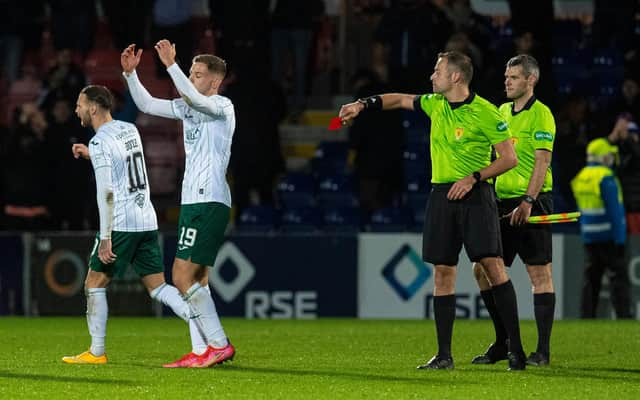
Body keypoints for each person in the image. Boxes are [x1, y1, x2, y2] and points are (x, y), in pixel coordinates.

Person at [339, 51, 526, 370]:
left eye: (437, 70)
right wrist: (362, 104)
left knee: (493, 267)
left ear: (456, 77)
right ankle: (444, 355)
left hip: (477, 194)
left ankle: (516, 349)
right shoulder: (435, 104)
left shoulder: (486, 112)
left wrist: (474, 177)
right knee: (442, 273)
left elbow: (509, 158)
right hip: (442, 195)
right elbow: (397, 99)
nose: (431, 76)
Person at [121, 40, 236, 368]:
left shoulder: (223, 106)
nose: (192, 76)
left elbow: (195, 98)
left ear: (214, 82)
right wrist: (130, 75)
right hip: (195, 202)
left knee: (181, 276)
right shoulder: (188, 107)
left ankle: (218, 344)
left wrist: (170, 65)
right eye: (191, 71)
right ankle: (201, 351)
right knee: (198, 280)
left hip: (208, 199)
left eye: (198, 74)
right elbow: (146, 104)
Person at [61, 85, 195, 365]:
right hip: (146, 219)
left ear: (93, 108)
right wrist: (91, 154)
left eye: (79, 104)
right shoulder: (128, 128)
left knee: (93, 284)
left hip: (121, 223)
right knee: (159, 288)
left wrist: (106, 236)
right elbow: (123, 162)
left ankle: (97, 353)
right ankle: (206, 332)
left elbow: (107, 192)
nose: (77, 110)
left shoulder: (100, 142)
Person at [471, 55, 556, 367]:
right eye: (506, 76)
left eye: (514, 77)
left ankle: (542, 352)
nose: (506, 81)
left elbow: (541, 162)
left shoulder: (542, 115)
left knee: (539, 274)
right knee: (482, 269)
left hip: (533, 201)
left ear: (530, 80)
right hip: (501, 203)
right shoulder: (502, 112)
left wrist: (528, 201)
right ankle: (502, 341)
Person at [571, 138, 633, 319]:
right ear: (603, 157)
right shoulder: (606, 177)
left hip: (589, 236)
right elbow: (616, 213)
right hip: (609, 236)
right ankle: (623, 315)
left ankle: (586, 316)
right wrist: (620, 239)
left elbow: (579, 209)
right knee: (618, 278)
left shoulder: (580, 176)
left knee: (591, 280)